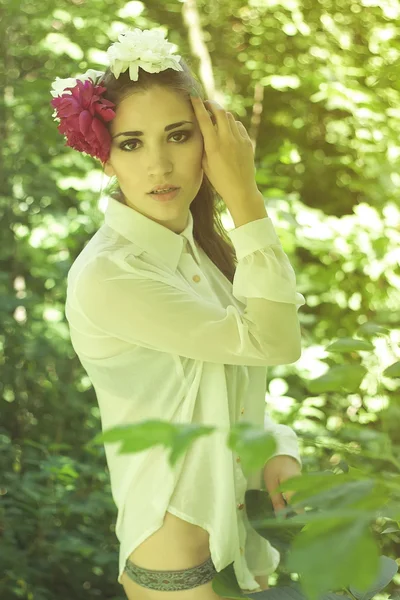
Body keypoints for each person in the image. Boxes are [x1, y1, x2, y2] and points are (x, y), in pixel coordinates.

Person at [52, 27, 306, 600]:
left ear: (207, 142)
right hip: (176, 575)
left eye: (178, 135)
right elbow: (277, 343)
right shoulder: (112, 275)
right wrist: (245, 195)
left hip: (245, 553)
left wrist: (279, 450)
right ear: (105, 154)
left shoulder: (200, 251)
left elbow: (227, 393)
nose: (159, 164)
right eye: (132, 142)